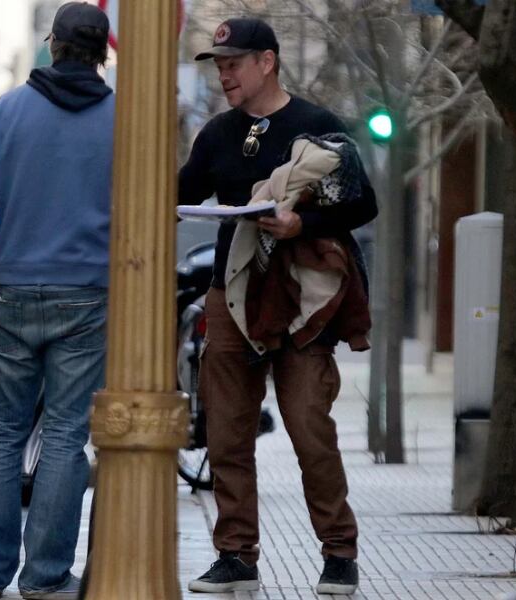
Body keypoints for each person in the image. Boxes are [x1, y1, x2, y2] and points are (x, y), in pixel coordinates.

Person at [178, 17, 378, 596]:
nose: (224, 75)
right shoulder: (217, 133)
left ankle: (339, 553)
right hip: (230, 295)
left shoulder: (319, 126)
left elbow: (364, 205)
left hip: (299, 300)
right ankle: (235, 554)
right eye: (218, 66)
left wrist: (301, 223)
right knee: (226, 432)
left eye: (233, 64)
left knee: (310, 428)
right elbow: (185, 192)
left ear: (267, 61)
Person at [0, 3, 114, 598]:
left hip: (12, 288)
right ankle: (44, 578)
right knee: (67, 435)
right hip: (88, 294)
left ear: (52, 46)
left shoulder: (9, 109)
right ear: (103, 51)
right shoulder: (124, 116)